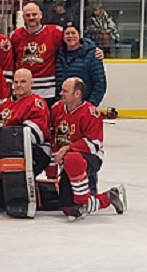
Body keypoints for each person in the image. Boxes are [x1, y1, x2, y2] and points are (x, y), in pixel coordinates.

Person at [0, 69, 52, 209]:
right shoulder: (6, 105)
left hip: (34, 151)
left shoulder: (36, 102)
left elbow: (36, 134)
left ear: (31, 83)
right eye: (16, 82)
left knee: (16, 193)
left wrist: (4, 140)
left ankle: (45, 197)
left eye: (23, 82)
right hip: (8, 150)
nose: (19, 85)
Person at [52, 77, 127, 220]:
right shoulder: (56, 109)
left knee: (72, 157)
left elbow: (94, 145)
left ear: (77, 94)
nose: (61, 93)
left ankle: (81, 203)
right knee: (67, 208)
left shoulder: (91, 113)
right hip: (67, 160)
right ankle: (109, 197)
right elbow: (53, 136)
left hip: (91, 158)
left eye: (65, 91)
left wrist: (68, 148)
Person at [9, 2, 64, 105]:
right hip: (22, 89)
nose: (31, 17)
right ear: (23, 17)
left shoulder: (55, 32)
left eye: (34, 14)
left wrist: (92, 48)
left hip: (47, 89)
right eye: (28, 15)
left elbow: (75, 41)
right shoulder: (15, 35)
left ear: (40, 15)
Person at [56, 24, 107, 107]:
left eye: (73, 33)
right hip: (63, 107)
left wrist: (90, 105)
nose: (70, 36)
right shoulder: (58, 55)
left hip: (84, 105)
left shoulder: (93, 55)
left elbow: (99, 83)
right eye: (67, 33)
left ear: (79, 35)